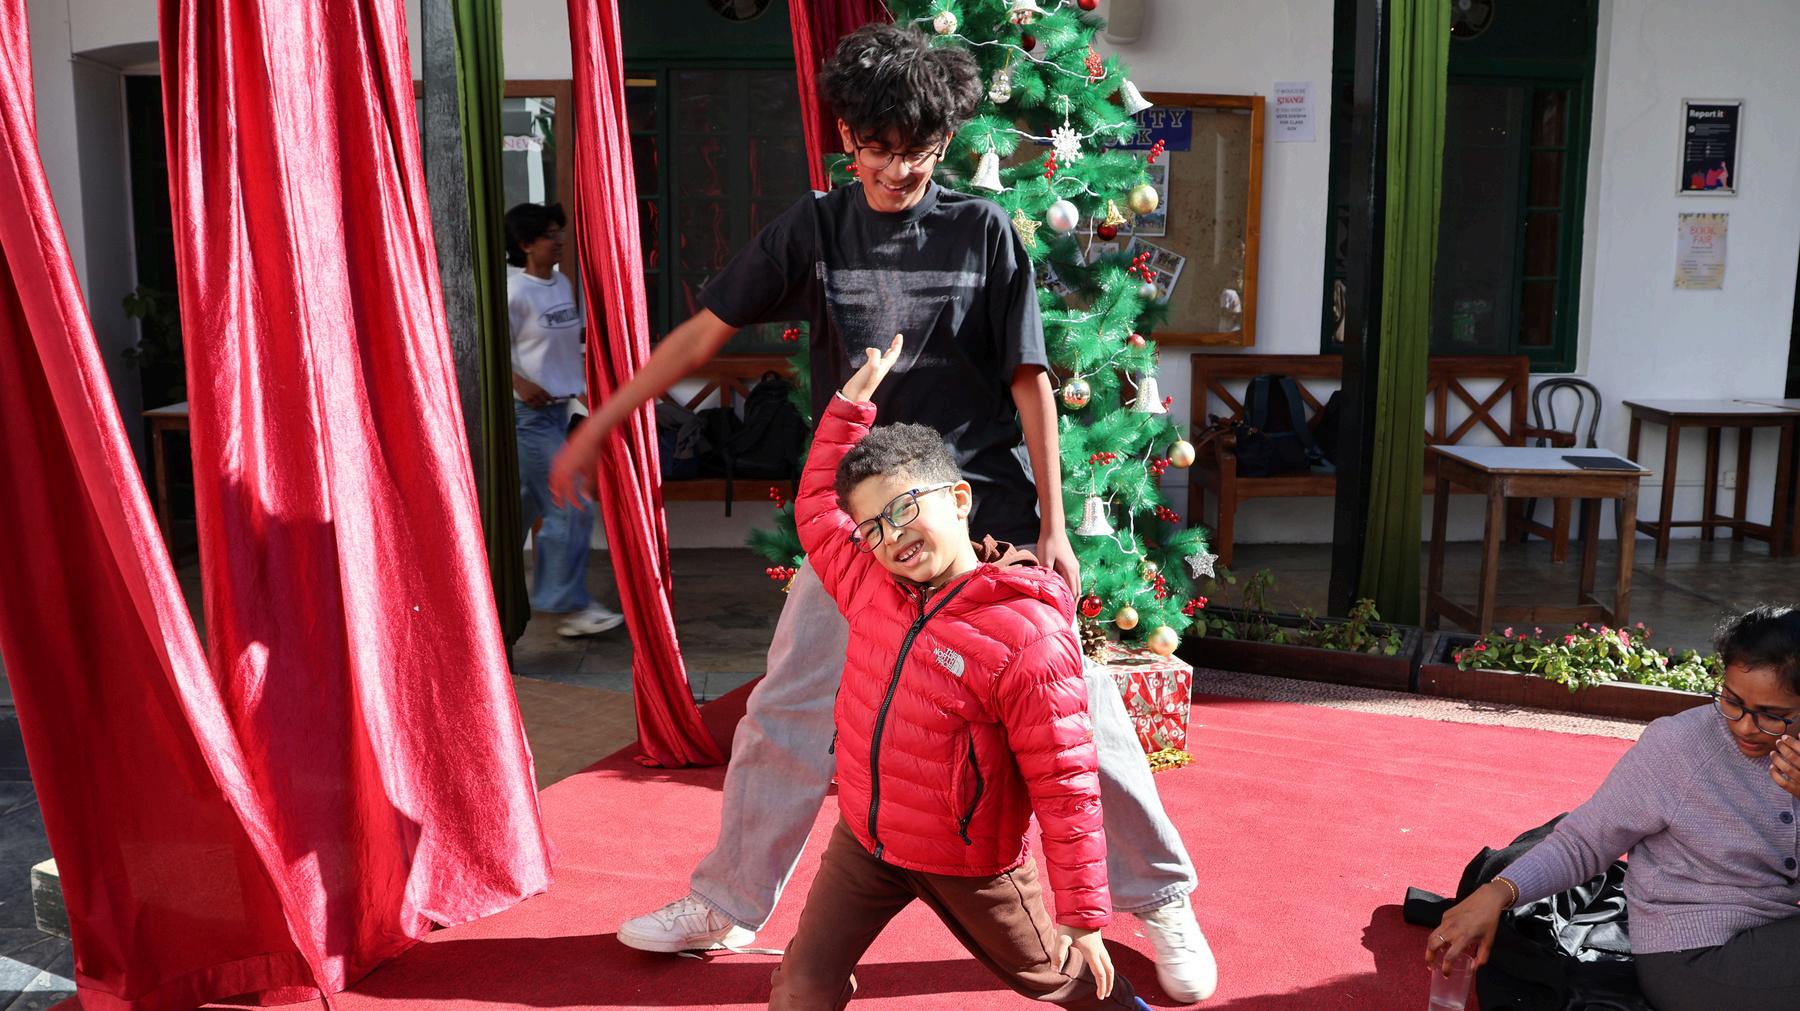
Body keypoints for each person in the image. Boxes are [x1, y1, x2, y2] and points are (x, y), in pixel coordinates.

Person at [551, 24, 1215, 1003]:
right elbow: (703, 332)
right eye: (878, 146)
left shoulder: (983, 231)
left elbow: (1029, 377)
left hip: (982, 518)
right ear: (848, 139)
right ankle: (728, 901)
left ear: (945, 141)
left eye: (919, 149)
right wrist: (606, 420)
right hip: (862, 519)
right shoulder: (815, 229)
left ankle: (1159, 896)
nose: (898, 168)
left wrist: (1056, 528)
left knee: (1084, 716)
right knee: (786, 707)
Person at [767, 336, 1145, 1010]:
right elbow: (819, 509)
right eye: (873, 527)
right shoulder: (868, 584)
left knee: (1064, 976)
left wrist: (1084, 913)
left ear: (961, 499)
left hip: (970, 861)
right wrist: (848, 406)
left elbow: (1065, 781)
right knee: (802, 982)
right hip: (867, 839)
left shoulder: (1025, 633)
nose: (892, 537)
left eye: (904, 508)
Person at [1427, 606, 1800, 1011]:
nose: (1744, 725)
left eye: (1772, 716)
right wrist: (1497, 893)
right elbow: (1584, 842)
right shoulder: (1679, 747)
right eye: (1731, 701)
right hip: (1693, 955)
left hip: (1774, 932)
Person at [504, 202, 622, 637]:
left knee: (514, 511)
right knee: (571, 503)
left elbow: (562, 349)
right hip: (528, 417)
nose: (559, 241)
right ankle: (567, 605)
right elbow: (488, 348)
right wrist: (519, 383)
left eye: (559, 232)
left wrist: (581, 390)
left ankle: (479, 593)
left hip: (558, 414)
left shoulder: (561, 283)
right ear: (525, 244)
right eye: (549, 234)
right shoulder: (513, 291)